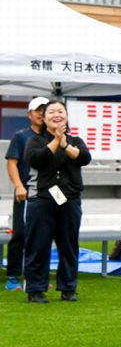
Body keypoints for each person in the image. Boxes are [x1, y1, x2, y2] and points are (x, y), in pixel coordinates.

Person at [22, 99, 91, 303]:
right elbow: (36, 159)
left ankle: (68, 288)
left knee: (69, 245)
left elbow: (83, 158)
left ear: (67, 116)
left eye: (60, 111)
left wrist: (64, 143)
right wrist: (55, 141)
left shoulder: (75, 140)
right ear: (43, 118)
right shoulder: (35, 140)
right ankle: (35, 289)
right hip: (41, 199)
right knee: (38, 245)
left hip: (69, 200)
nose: (56, 115)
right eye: (51, 112)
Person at [4, 97, 48, 291]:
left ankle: (38, 277)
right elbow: (12, 162)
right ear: (29, 114)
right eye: (37, 110)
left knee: (43, 236)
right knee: (20, 233)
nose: (41, 114)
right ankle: (13, 276)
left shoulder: (54, 136)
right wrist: (18, 185)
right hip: (25, 193)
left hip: (47, 194)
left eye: (44, 110)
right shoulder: (21, 136)